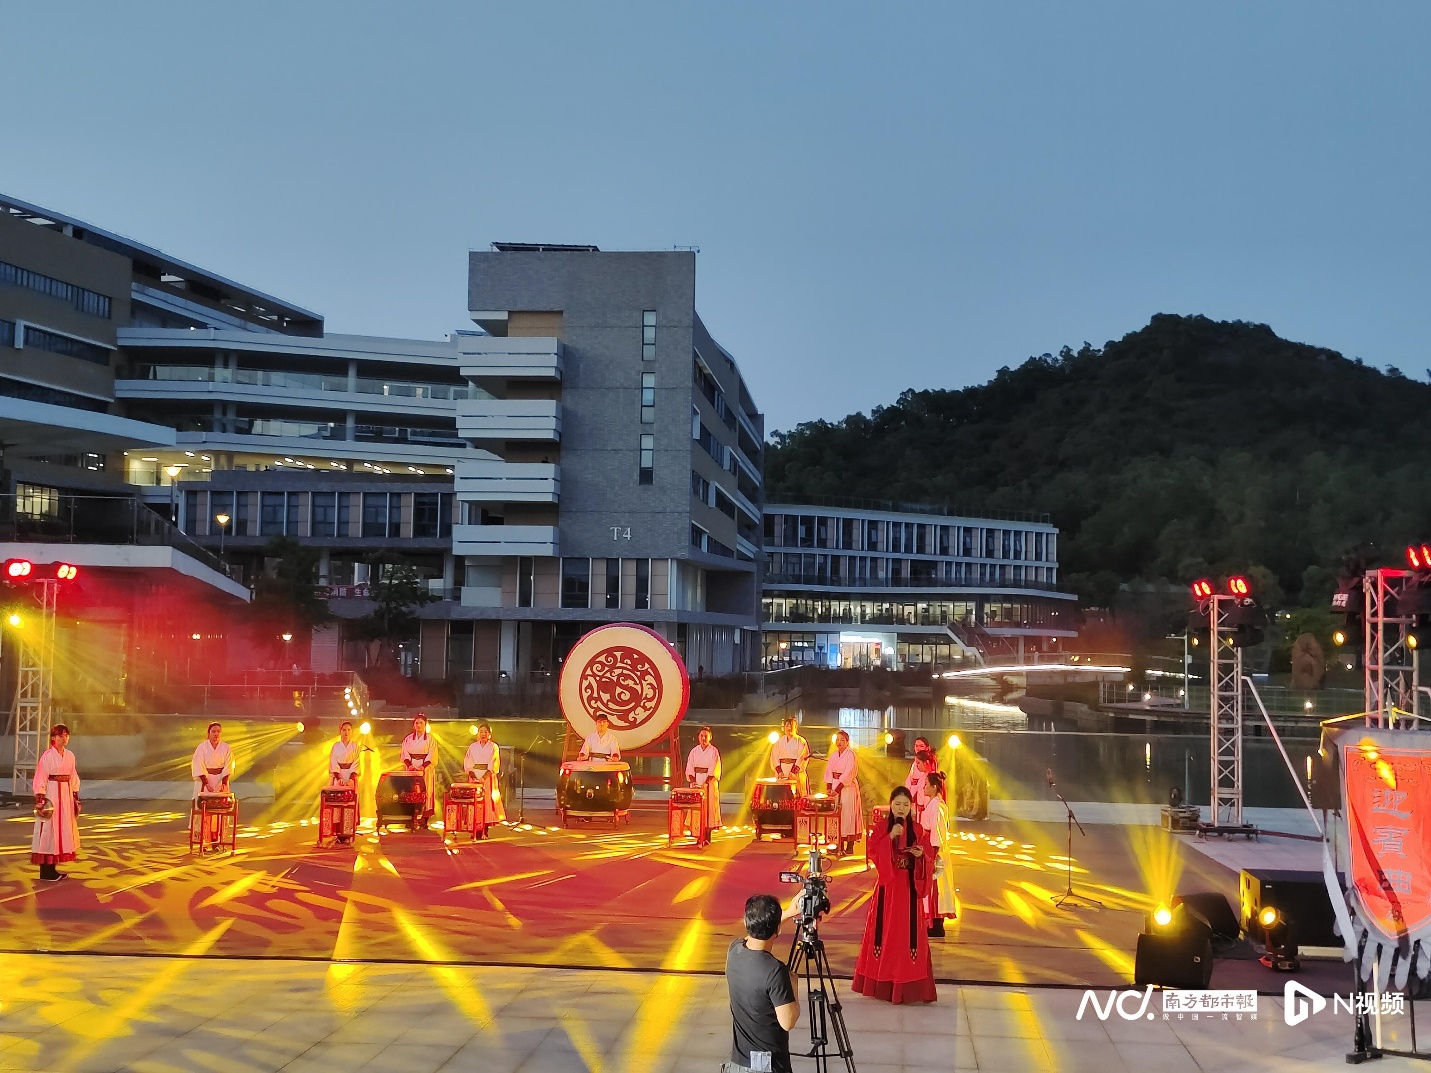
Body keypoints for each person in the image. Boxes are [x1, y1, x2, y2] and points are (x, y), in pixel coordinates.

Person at [852, 786, 938, 1004]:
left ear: (911, 807)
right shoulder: (882, 827)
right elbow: (873, 852)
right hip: (888, 887)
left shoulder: (918, 829)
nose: (901, 808)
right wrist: (890, 836)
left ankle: (907, 983)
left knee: (907, 935)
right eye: (897, 804)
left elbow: (929, 856)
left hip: (909, 887)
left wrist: (921, 856)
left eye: (906, 805)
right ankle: (883, 983)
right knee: (885, 932)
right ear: (891, 805)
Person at [725, 893, 803, 1073]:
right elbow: (788, 1022)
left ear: (746, 922)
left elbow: (757, 936)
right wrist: (794, 986)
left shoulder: (734, 950)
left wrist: (788, 913)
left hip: (738, 1063)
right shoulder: (775, 971)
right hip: (768, 1066)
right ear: (777, 929)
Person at [32, 724, 80, 883]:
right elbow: (41, 776)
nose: (64, 738)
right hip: (51, 795)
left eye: (66, 735)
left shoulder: (70, 756)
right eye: (60, 735)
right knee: (49, 830)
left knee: (60, 830)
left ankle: (52, 868)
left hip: (65, 796)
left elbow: (73, 776)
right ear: (53, 738)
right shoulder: (47, 756)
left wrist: (75, 795)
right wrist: (40, 798)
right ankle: (46, 870)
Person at [921, 771, 957, 938]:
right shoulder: (934, 804)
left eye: (926, 785)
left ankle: (936, 923)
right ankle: (933, 922)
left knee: (935, 886)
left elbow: (937, 831)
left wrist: (933, 852)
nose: (924, 787)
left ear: (934, 787)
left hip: (934, 850)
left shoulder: (937, 807)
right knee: (934, 887)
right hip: (931, 847)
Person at [191, 721, 236, 848]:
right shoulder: (202, 747)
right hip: (205, 780)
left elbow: (229, 764)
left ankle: (216, 840)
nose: (216, 734)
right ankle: (203, 840)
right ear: (208, 733)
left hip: (220, 781)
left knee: (219, 810)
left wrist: (224, 782)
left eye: (218, 731)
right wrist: (205, 782)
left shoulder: (226, 748)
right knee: (203, 810)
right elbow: (197, 763)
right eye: (213, 731)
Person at [823, 730, 864, 857]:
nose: (839, 742)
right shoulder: (834, 755)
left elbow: (849, 773)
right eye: (837, 740)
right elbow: (829, 771)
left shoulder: (851, 755)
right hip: (835, 786)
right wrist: (829, 787)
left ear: (847, 742)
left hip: (847, 788)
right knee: (836, 814)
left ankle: (849, 846)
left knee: (848, 814)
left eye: (842, 740)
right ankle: (838, 844)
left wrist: (838, 788)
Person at [462, 723, 506, 826]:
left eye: (485, 732)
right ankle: (474, 823)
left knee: (487, 800)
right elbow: (468, 760)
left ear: (489, 734)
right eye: (481, 732)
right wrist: (473, 775)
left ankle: (486, 824)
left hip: (487, 777)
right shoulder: (473, 746)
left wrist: (484, 777)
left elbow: (494, 762)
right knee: (475, 800)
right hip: (474, 776)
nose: (483, 734)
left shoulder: (494, 747)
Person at [685, 726, 723, 835]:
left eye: (706, 736)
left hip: (709, 782)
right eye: (701, 736)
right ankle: (696, 833)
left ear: (710, 737)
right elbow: (690, 767)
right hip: (696, 780)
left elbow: (714, 768)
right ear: (698, 737)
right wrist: (693, 780)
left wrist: (706, 782)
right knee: (696, 806)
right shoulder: (694, 751)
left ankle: (707, 834)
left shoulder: (714, 751)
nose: (703, 738)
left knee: (709, 807)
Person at [400, 714, 436, 829]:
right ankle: (410, 818)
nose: (419, 725)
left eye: (421, 723)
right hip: (411, 769)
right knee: (410, 792)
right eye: (417, 723)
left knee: (426, 792)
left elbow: (432, 754)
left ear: (425, 725)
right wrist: (410, 765)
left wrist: (423, 766)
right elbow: (404, 753)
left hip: (425, 769)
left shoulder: (430, 739)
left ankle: (424, 819)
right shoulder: (408, 739)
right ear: (413, 725)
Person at [770, 717, 810, 794]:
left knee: (797, 794)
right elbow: (774, 756)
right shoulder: (779, 741)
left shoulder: (801, 741)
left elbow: (802, 757)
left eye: (791, 726)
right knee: (782, 794)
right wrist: (779, 771)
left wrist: (794, 771)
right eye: (787, 726)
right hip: (782, 772)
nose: (789, 728)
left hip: (795, 772)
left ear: (795, 727)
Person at [903, 736, 937, 810]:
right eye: (916, 746)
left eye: (921, 746)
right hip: (914, 797)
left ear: (927, 748)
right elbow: (909, 780)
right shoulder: (915, 764)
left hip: (924, 801)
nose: (918, 748)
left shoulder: (930, 766)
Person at [329, 721, 360, 787]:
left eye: (349, 730)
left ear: (352, 731)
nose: (347, 732)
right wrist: (338, 778)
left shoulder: (355, 746)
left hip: (351, 776)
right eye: (344, 730)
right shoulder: (336, 746)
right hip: (338, 776)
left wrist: (351, 778)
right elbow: (333, 762)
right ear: (340, 731)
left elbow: (356, 762)